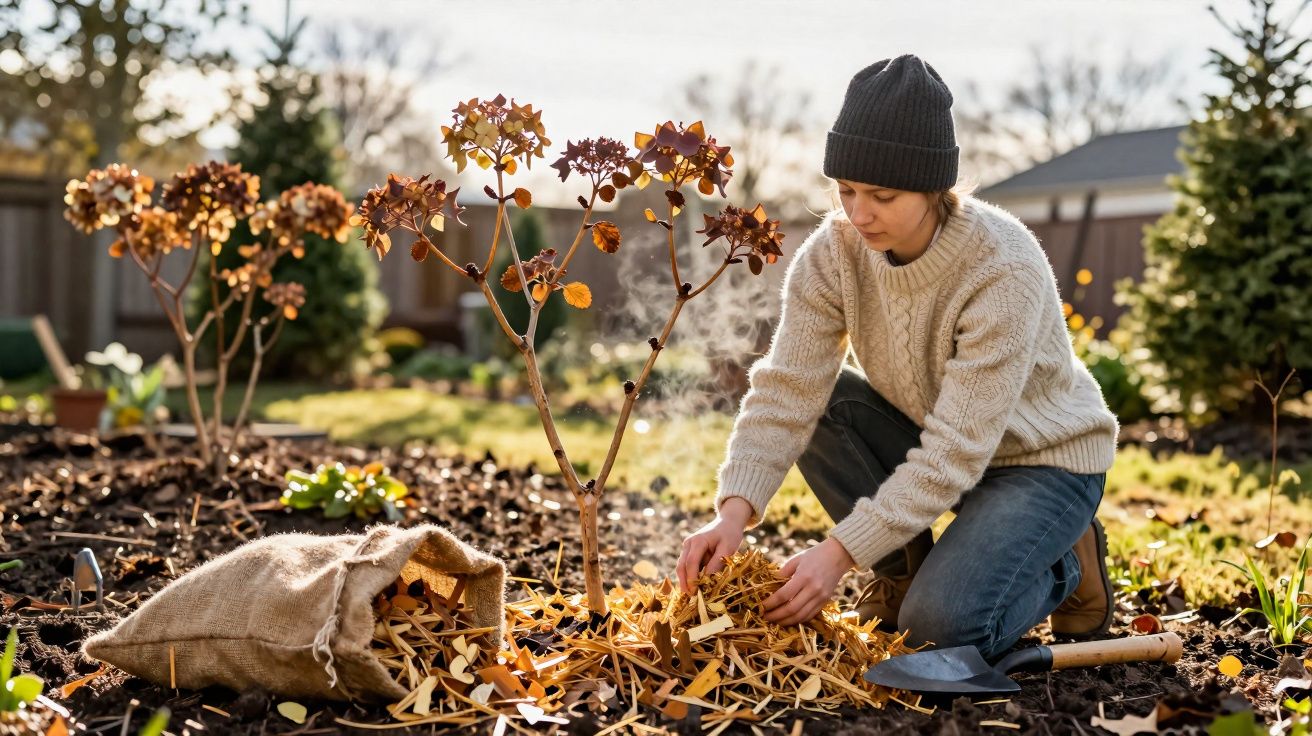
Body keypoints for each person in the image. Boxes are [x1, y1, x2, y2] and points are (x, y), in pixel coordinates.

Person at [674, 54, 1120, 661]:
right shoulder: (834, 253)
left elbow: (957, 448)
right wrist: (732, 512)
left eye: (882, 195)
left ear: (935, 187)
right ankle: (904, 572)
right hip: (941, 445)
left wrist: (838, 553)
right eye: (846, 190)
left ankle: (1067, 561)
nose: (858, 214)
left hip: (1040, 462)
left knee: (938, 631)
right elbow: (786, 391)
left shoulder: (1002, 267)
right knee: (823, 401)